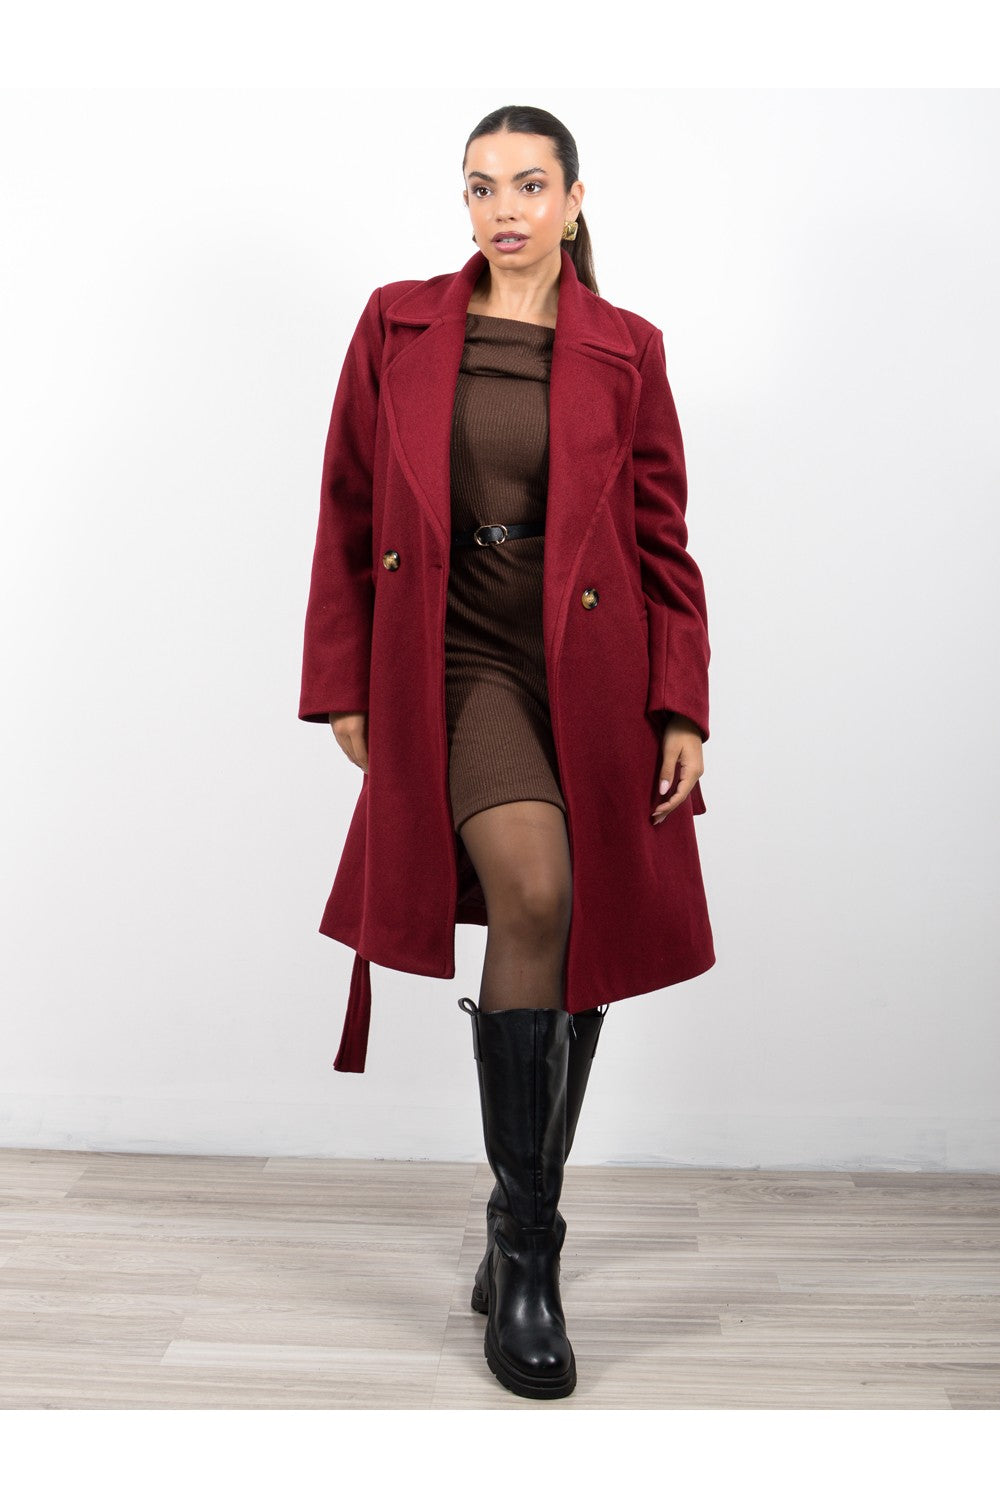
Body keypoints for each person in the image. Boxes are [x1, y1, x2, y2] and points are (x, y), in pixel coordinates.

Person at [299, 104, 714, 1401]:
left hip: (587, 667)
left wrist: (682, 702)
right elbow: (346, 504)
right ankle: (531, 1247)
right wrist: (341, 680)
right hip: (456, 651)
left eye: (530, 185)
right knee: (535, 892)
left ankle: (515, 1222)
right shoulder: (398, 323)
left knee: (581, 924)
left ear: (575, 200)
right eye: (482, 187)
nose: (505, 210)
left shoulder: (628, 348)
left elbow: (662, 537)